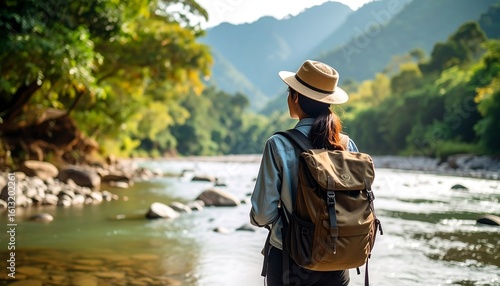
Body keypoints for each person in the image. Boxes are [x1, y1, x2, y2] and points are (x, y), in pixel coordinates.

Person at [250, 60, 358, 286]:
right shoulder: (347, 145)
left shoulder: (278, 144)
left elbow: (262, 214)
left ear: (296, 97)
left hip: (291, 259)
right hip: (338, 259)